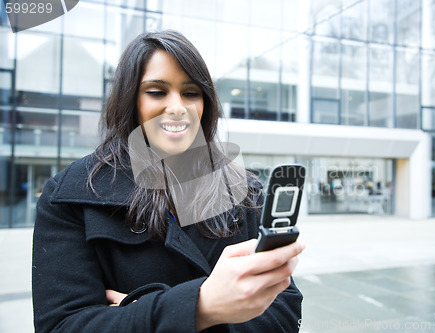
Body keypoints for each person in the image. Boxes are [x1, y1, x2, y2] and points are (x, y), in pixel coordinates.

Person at [32, 30, 304, 332]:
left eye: (190, 93)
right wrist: (202, 306)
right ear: (130, 99)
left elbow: (284, 312)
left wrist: (147, 312)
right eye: (157, 92)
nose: (177, 107)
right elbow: (63, 326)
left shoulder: (244, 189)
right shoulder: (70, 195)